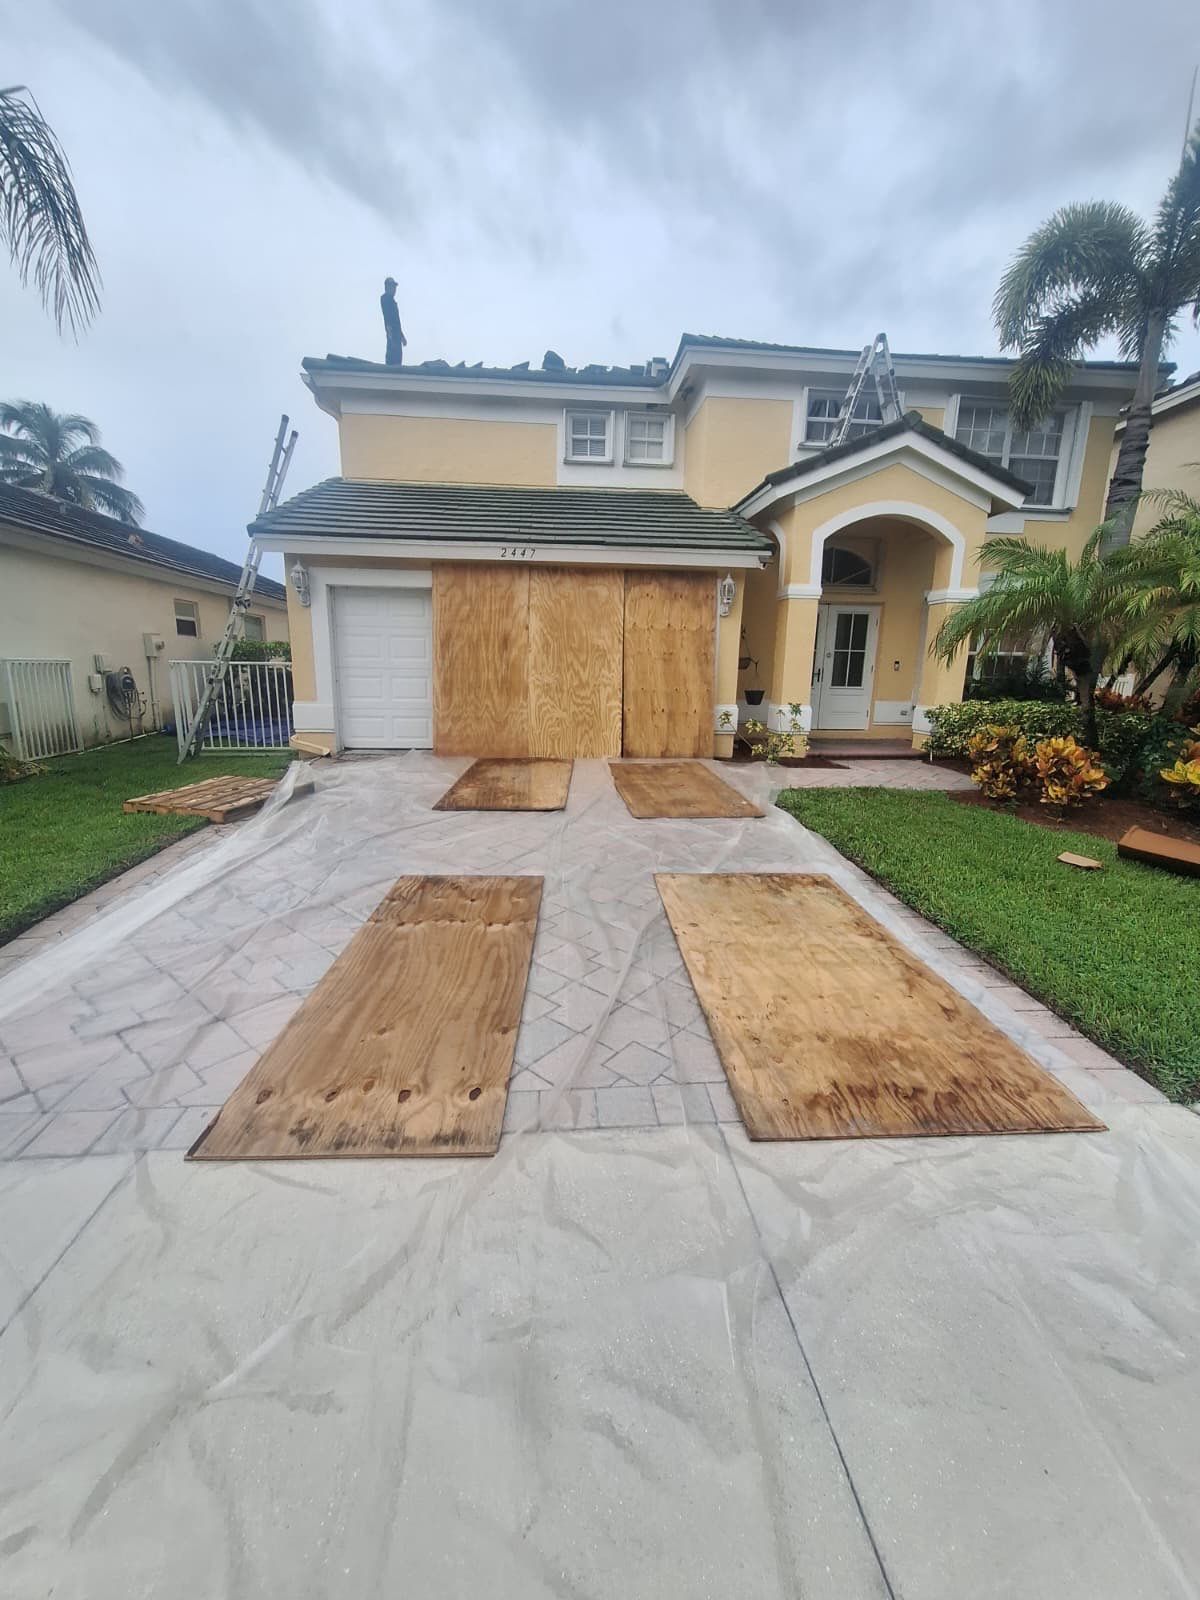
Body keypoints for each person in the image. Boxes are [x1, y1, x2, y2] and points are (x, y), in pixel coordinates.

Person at [381, 277, 407, 365]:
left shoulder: (392, 301)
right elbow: (388, 318)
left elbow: (396, 321)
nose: (395, 289)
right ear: (387, 287)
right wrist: (390, 333)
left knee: (397, 357)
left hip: (396, 334)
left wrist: (402, 336)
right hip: (392, 333)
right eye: (392, 287)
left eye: (395, 287)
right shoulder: (385, 299)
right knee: (392, 356)